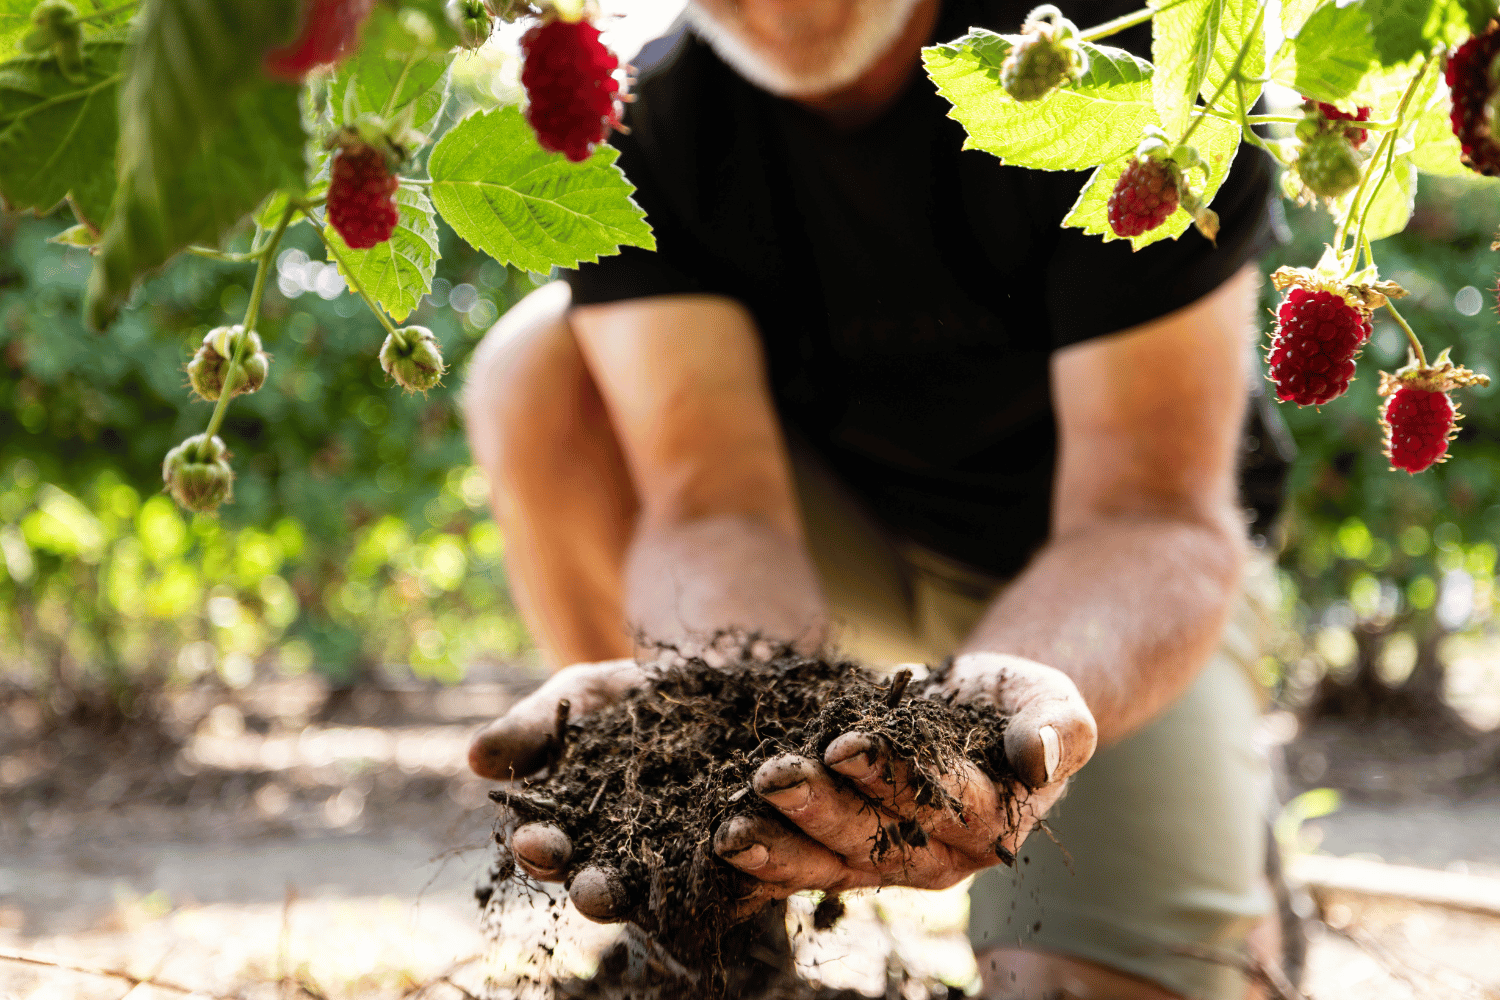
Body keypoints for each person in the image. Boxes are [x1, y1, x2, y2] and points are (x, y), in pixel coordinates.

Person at [462, 0, 1291, 997]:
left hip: (1119, 585)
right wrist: (719, 723)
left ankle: (1220, 825)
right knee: (535, 367)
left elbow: (1145, 511)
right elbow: (713, 501)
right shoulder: (652, 124)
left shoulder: (1137, 60)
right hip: (835, 553)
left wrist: (988, 736)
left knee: (1075, 981)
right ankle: (713, 921)